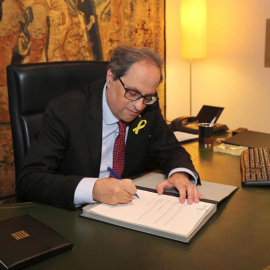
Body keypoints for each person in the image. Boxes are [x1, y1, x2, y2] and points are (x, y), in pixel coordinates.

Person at [16, 46, 203, 209]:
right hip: (72, 215)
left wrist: (179, 174)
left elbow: (170, 149)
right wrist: (94, 189)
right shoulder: (65, 111)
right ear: (111, 76)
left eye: (147, 97)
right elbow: (30, 180)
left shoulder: (148, 107)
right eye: (132, 93)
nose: (139, 106)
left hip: (127, 210)